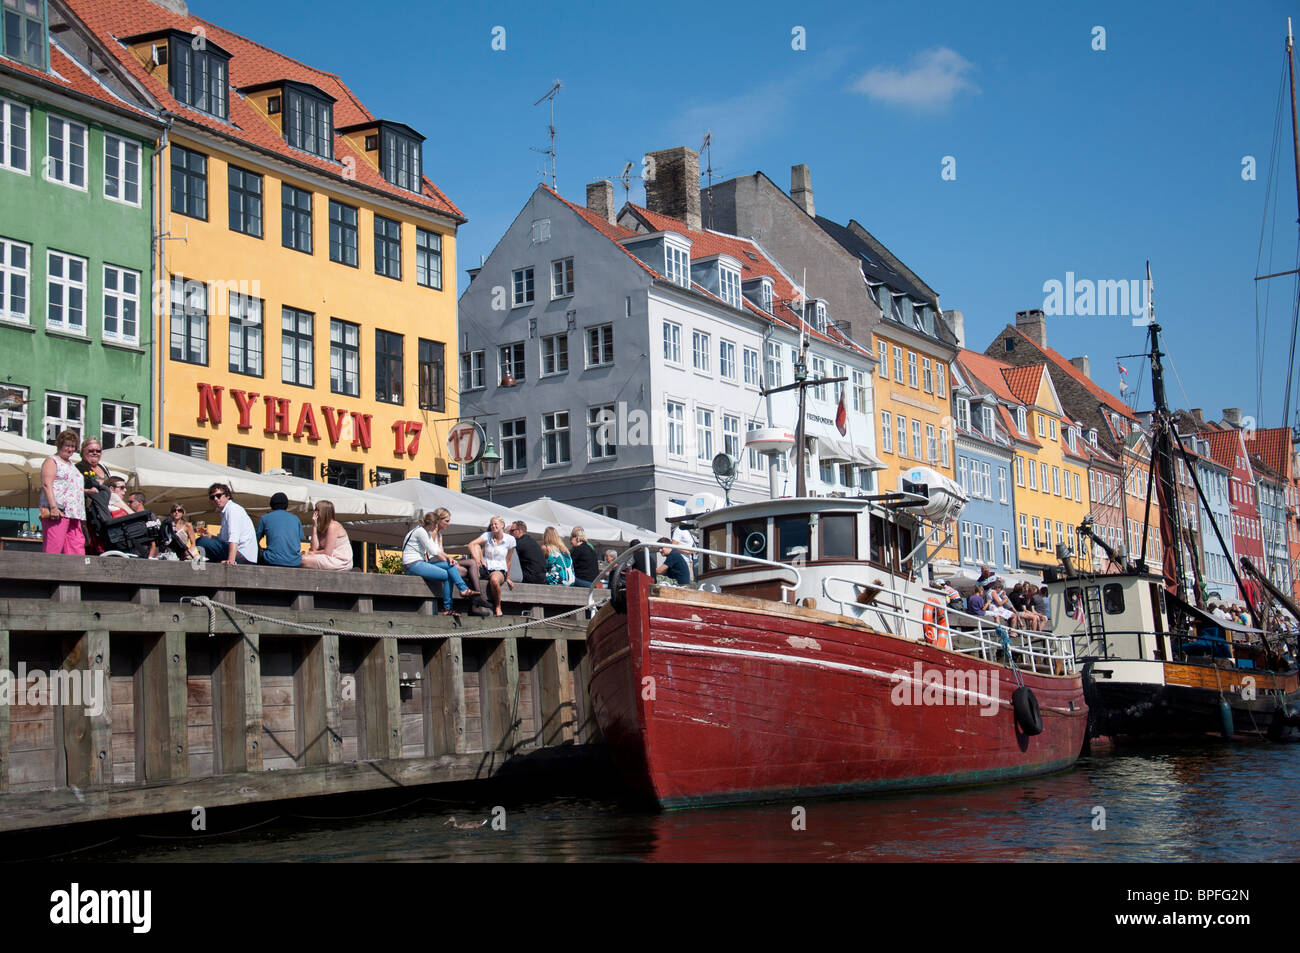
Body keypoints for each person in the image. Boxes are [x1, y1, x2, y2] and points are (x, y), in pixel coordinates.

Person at [401, 509, 472, 612]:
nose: (436, 527)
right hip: (412, 565)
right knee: (448, 575)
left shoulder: (423, 531)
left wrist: (449, 559)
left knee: (450, 566)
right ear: (432, 524)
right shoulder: (421, 532)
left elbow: (437, 549)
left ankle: (463, 590)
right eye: (435, 525)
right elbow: (433, 551)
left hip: (419, 563)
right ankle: (448, 607)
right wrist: (449, 558)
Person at [40, 430, 87, 555]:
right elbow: (46, 484)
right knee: (53, 547)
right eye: (67, 445)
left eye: (73, 446)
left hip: (74, 513)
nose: (70, 449)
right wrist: (53, 507)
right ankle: (47, 574)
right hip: (58, 511)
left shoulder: (71, 464)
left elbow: (72, 486)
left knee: (76, 549)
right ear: (60, 445)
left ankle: (75, 574)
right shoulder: (52, 461)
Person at [197, 483, 257, 564]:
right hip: (241, 554)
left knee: (202, 542)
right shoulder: (225, 512)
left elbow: (234, 536)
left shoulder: (232, 509)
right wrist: (210, 536)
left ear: (227, 496)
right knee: (203, 543)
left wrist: (231, 560)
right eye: (212, 497)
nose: (215, 499)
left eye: (218, 496)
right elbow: (223, 540)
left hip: (242, 555)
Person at [469, 516, 516, 616]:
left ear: (502, 525)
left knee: (494, 580)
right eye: (491, 524)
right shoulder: (487, 535)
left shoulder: (510, 539)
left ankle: (498, 606)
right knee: (476, 546)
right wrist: (479, 560)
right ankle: (474, 603)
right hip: (485, 567)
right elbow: (471, 544)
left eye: (495, 524)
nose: (493, 526)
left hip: (499, 569)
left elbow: (508, 560)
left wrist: (508, 578)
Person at [76, 437, 110, 553]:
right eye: (91, 451)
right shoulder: (79, 467)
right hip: (90, 512)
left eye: (98, 451)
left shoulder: (103, 467)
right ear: (83, 452)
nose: (95, 453)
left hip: (105, 509)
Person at [300, 500, 353, 571]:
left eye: (317, 510)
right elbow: (314, 548)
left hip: (340, 560)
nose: (314, 512)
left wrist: (312, 553)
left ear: (324, 512)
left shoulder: (333, 526)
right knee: (299, 558)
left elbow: (327, 552)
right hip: (327, 558)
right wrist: (314, 527)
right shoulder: (321, 527)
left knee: (302, 560)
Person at [256, 492, 304, 567]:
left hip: (272, 559)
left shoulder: (265, 518)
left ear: (271, 505)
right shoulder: (296, 519)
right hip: (294, 561)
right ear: (286, 505)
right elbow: (299, 539)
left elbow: (255, 540)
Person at [508, 520, 546, 585]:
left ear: (519, 531)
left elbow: (508, 558)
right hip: (542, 578)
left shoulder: (518, 543)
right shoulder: (533, 542)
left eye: (512, 531)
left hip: (530, 578)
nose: (510, 533)